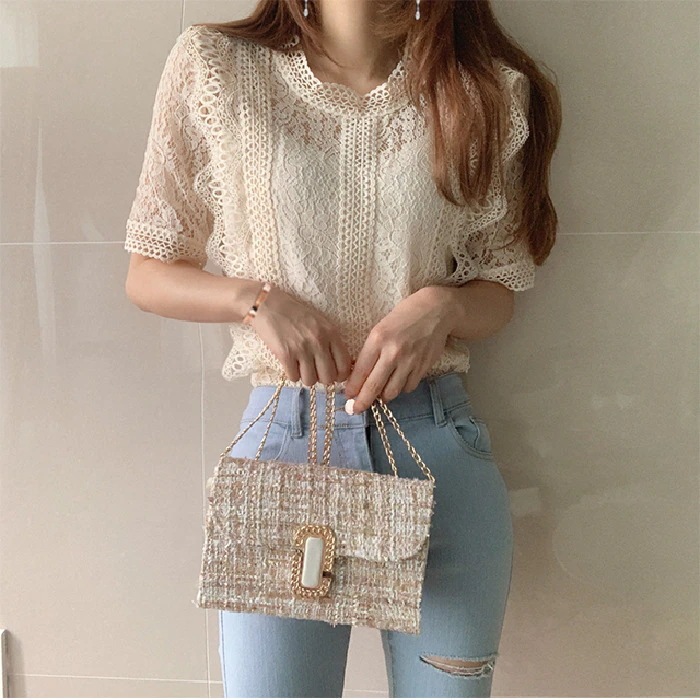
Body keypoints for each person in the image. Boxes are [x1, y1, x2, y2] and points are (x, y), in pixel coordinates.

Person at [123, 0, 561, 696]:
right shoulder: (217, 68)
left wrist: (444, 306)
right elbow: (148, 272)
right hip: (284, 442)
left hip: (435, 448)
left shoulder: (482, 88)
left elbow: (501, 286)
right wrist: (255, 300)